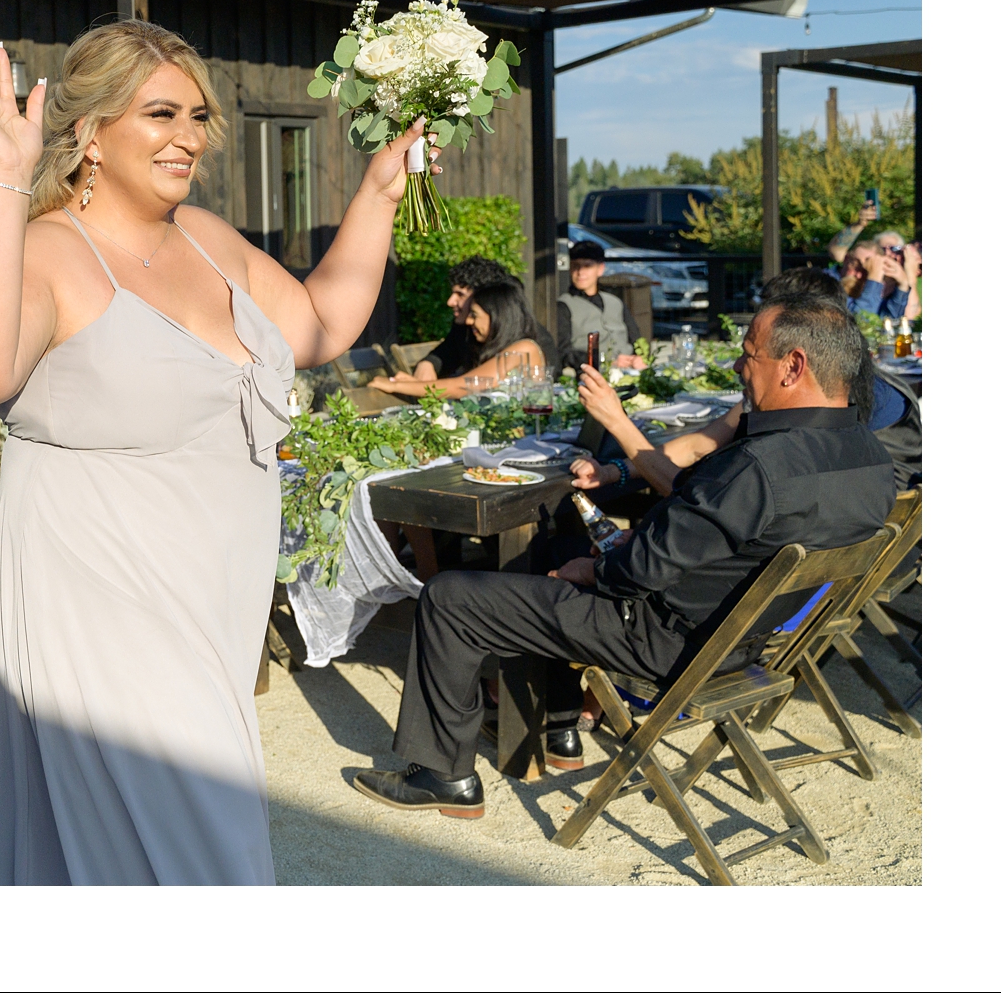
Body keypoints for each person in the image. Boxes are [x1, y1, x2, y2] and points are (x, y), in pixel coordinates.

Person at [0, 23, 432, 884]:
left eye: (197, 115)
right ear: (89, 131)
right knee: (201, 867)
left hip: (212, 612)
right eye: (160, 113)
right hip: (104, 612)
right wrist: (4, 174)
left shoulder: (207, 238)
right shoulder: (50, 251)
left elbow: (320, 324)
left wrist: (377, 191)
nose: (189, 135)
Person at [350, 295, 894, 818]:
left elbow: (637, 573)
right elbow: (705, 534)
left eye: (749, 354)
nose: (738, 365)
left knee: (452, 596)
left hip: (665, 639)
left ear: (793, 366)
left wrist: (598, 566)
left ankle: (443, 777)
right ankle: (560, 727)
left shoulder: (758, 466)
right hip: (743, 638)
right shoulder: (870, 459)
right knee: (557, 546)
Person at [572, 268, 920, 495]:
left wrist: (617, 421)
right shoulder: (835, 391)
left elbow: (692, 501)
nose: (739, 366)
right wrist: (617, 470)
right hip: (862, 554)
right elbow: (700, 443)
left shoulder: (824, 413)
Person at [368, 280, 549, 399]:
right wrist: (416, 384)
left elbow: (463, 387)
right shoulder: (506, 348)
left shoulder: (523, 349)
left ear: (497, 316)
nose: (469, 321)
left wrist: (396, 385)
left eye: (474, 315)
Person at [408, 256, 518, 382]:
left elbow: (468, 385)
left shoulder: (522, 338)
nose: (450, 302)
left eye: (460, 295)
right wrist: (427, 364)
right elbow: (447, 351)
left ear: (485, 298)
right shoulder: (465, 328)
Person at [553, 239, 645, 374]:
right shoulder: (564, 306)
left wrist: (639, 358)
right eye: (575, 266)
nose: (580, 272)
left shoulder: (615, 302)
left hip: (630, 371)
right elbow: (564, 352)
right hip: (591, 373)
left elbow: (637, 340)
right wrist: (607, 361)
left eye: (587, 266)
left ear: (600, 269)